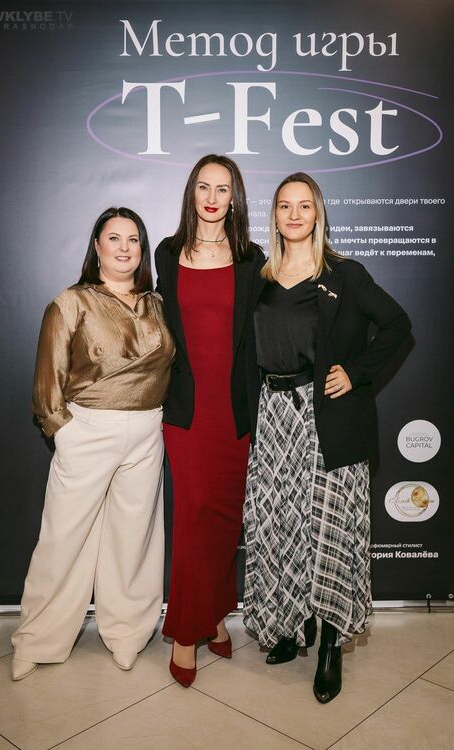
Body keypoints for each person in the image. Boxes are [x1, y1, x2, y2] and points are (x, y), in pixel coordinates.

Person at [243, 172, 411, 703]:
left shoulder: (345, 274)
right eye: (284, 206)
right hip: (274, 417)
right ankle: (292, 626)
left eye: (304, 205)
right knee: (282, 523)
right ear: (274, 216)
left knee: (330, 531)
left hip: (328, 421)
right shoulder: (260, 276)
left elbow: (398, 325)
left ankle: (332, 643)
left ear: (318, 213)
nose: (294, 214)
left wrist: (356, 373)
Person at [11, 207, 175, 680]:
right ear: (97, 247)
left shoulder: (158, 304)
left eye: (133, 239)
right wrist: (66, 433)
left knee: (133, 540)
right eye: (114, 238)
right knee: (63, 539)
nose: (124, 247)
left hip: (147, 431)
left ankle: (127, 634)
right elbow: (48, 379)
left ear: (142, 249)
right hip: (87, 430)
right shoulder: (71, 303)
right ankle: (38, 639)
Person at [155, 154, 264, 687]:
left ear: (234, 198)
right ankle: (185, 631)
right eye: (204, 187)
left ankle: (217, 613)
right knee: (193, 514)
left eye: (223, 189)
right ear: (191, 193)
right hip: (185, 408)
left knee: (224, 517)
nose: (213, 198)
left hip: (235, 408)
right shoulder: (167, 253)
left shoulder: (251, 259)